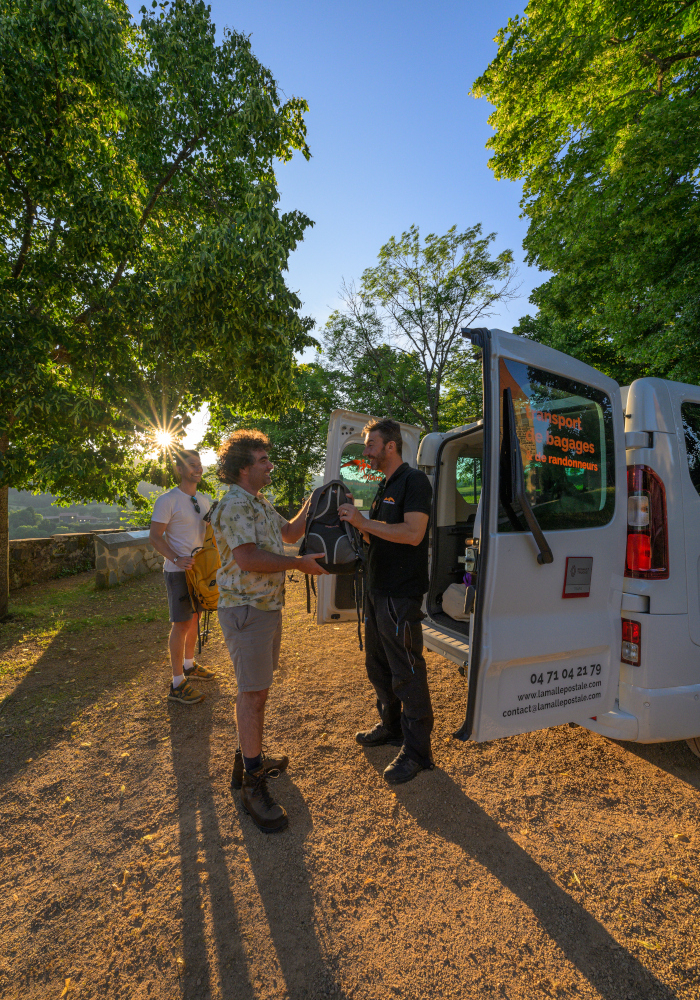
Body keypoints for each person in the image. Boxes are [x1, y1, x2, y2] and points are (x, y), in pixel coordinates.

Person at [210, 429, 329, 833]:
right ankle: (252, 783)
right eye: (263, 460)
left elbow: (290, 533)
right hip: (247, 611)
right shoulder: (233, 505)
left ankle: (248, 759)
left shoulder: (257, 501)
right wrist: (297, 564)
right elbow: (247, 559)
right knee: (253, 694)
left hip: (264, 609)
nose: (270, 466)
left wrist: (314, 500)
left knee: (256, 691)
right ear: (244, 468)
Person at [338, 418, 435, 784]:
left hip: (400, 593)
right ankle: (392, 727)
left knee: (407, 671)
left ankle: (418, 752)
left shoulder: (414, 481)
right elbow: (377, 537)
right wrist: (355, 523)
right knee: (378, 666)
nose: (366, 452)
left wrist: (364, 523)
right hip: (377, 589)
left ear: (390, 446)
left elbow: (413, 533)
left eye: (370, 444)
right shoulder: (384, 486)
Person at [149, 449, 216, 706]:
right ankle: (177, 684)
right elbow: (155, 537)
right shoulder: (167, 500)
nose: (198, 469)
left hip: (200, 572)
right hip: (178, 572)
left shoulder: (204, 500)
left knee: (195, 618)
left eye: (199, 464)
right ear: (179, 469)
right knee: (181, 624)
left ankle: (189, 665)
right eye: (192, 465)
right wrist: (177, 558)